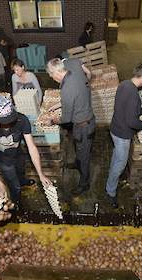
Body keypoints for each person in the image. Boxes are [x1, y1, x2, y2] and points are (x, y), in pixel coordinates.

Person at [0, 94, 52, 209]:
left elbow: (32, 147)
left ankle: (22, 181)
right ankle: (17, 204)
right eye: (4, 122)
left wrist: (41, 174)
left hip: (18, 154)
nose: (8, 125)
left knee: (20, 171)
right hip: (3, 161)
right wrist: (0, 187)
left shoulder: (22, 119)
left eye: (10, 120)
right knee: (15, 186)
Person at [105, 62, 142, 208]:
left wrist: (139, 110)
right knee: (120, 164)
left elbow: (123, 106)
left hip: (114, 128)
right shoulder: (134, 94)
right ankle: (110, 192)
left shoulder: (124, 84)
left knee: (116, 157)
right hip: (122, 134)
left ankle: (111, 179)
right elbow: (132, 122)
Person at [46, 58, 95, 196]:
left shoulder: (67, 89)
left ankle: (84, 184)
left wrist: (53, 121)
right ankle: (77, 163)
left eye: (51, 75)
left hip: (84, 125)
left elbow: (66, 119)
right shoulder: (72, 66)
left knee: (84, 155)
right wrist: (88, 75)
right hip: (84, 116)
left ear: (56, 72)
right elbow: (76, 60)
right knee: (78, 147)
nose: (52, 78)